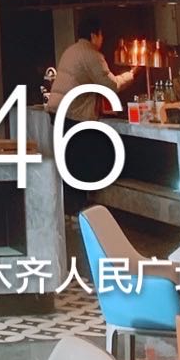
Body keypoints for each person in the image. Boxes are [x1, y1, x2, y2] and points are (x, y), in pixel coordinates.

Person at [46, 12, 136, 211]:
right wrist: (130, 74)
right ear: (94, 35)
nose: (102, 39)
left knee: (69, 162)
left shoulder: (70, 50)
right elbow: (111, 85)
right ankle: (78, 210)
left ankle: (70, 212)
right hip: (74, 114)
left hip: (59, 112)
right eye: (101, 35)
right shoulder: (92, 55)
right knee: (79, 163)